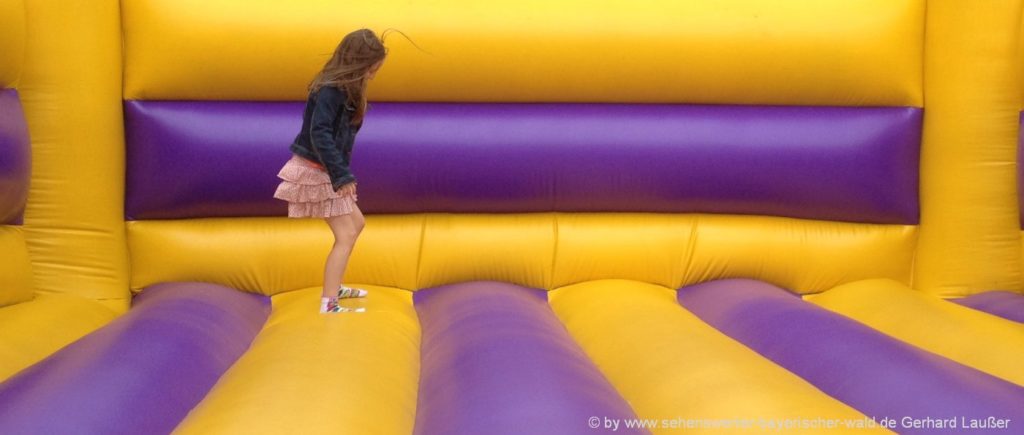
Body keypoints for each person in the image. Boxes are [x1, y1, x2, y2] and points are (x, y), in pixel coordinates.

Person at [273, 29, 386, 313]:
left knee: (356, 224)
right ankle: (329, 302)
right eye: (372, 68)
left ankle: (334, 286)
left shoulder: (347, 88)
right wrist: (341, 176)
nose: (373, 74)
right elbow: (319, 132)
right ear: (359, 63)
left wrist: (340, 172)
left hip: (326, 169)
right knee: (345, 235)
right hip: (315, 170)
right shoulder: (331, 88)